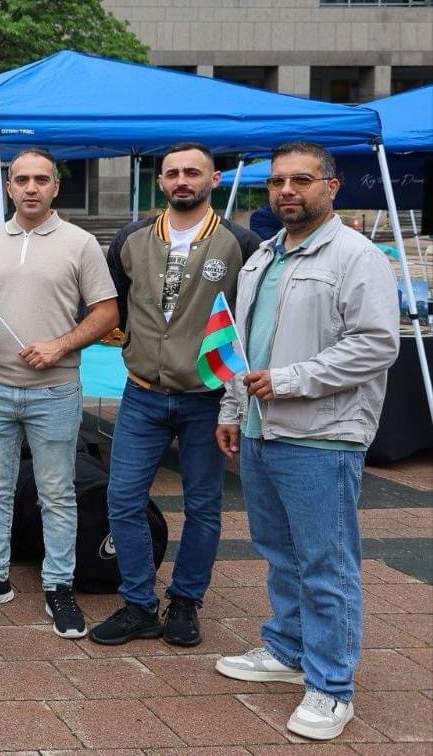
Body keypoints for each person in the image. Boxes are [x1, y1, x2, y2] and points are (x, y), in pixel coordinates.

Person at [214, 141, 399, 742]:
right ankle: (288, 650)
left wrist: (290, 381)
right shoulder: (262, 256)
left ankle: (331, 687)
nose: (286, 191)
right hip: (263, 428)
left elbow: (376, 344)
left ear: (332, 187)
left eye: (301, 180)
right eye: (276, 183)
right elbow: (242, 346)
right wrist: (234, 408)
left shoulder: (356, 256)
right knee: (278, 550)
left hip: (322, 434)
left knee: (326, 563)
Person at [90, 143, 260, 648]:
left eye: (193, 172)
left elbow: (248, 321)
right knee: (122, 501)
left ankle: (185, 601)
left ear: (214, 178)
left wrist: (234, 400)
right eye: (172, 173)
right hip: (142, 394)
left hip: (206, 397)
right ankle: (139, 604)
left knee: (203, 505)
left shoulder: (241, 242)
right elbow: (119, 304)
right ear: (160, 181)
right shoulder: (131, 237)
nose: (182, 180)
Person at [0, 149, 118, 638]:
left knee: (57, 494)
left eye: (41, 179)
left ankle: (59, 585)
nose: (30, 188)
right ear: (8, 186)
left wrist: (60, 344)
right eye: (21, 179)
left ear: (55, 186)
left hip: (55, 390)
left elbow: (107, 312)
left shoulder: (81, 243)